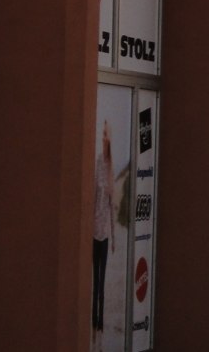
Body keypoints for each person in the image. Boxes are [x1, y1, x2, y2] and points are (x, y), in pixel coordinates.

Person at [91, 121, 115, 343]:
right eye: (103, 135)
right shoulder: (98, 163)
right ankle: (93, 320)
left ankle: (99, 322)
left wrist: (114, 238)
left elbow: (111, 202)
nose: (103, 139)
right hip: (93, 230)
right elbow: (93, 198)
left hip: (105, 232)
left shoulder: (109, 167)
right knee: (94, 278)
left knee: (101, 279)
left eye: (106, 136)